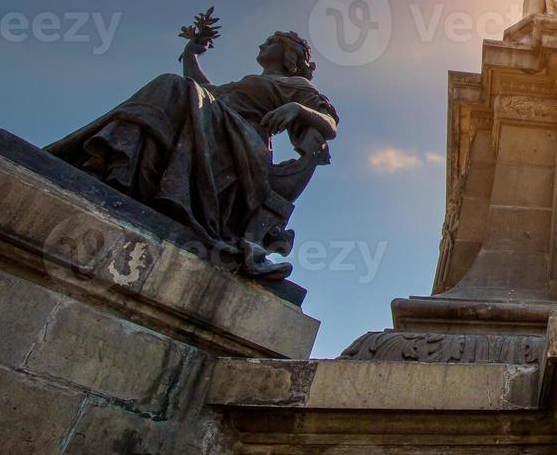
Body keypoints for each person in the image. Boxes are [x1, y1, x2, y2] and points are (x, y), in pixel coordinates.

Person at [47, 21, 338, 279]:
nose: (263, 44)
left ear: (289, 55)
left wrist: (297, 108)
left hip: (244, 143)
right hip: (213, 127)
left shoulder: (294, 84)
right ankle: (114, 169)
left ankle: (113, 165)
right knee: (173, 85)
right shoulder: (242, 84)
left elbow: (330, 123)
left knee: (174, 86)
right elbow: (204, 89)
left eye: (271, 41)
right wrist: (192, 53)